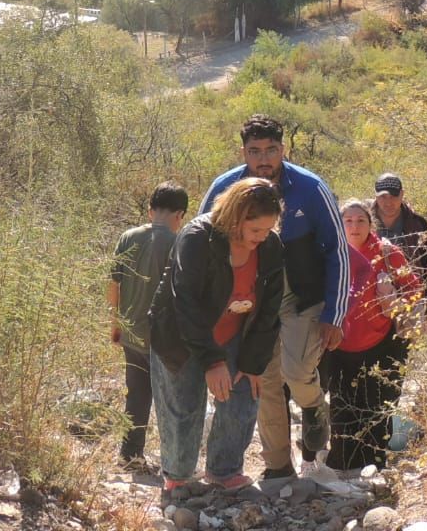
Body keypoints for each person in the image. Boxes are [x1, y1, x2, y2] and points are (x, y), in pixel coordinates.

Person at [199, 115, 349, 480]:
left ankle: (313, 407)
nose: (263, 159)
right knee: (263, 380)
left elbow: (338, 250)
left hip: (301, 294)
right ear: (243, 152)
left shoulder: (310, 188)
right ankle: (278, 465)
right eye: (254, 151)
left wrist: (335, 313)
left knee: (296, 370)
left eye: (271, 150)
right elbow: (200, 242)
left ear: (284, 149)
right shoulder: (226, 187)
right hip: (250, 301)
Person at [149, 177, 285, 491]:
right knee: (185, 406)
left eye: (268, 230)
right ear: (236, 218)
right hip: (179, 336)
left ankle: (224, 471)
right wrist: (212, 362)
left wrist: (252, 362)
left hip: (235, 333)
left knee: (243, 398)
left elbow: (269, 309)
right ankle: (178, 477)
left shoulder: (271, 245)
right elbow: (184, 303)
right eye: (256, 231)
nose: (263, 238)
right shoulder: (198, 237)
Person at [327, 198, 420, 472]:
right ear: (339, 224)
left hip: (383, 344)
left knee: (377, 407)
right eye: (348, 221)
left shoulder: (386, 252)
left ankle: (374, 467)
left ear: (371, 223)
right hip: (338, 345)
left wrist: (390, 297)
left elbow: (414, 290)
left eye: (361, 221)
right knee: (341, 406)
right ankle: (343, 466)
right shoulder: (331, 253)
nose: (354, 227)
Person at [109, 182, 190, 469]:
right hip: (163, 337)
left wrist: (115, 323)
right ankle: (174, 461)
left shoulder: (127, 236)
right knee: (170, 400)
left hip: (131, 332)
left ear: (150, 210)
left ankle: (130, 456)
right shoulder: (179, 242)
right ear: (180, 214)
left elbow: (113, 285)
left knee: (136, 396)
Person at [371, 172, 427, 311]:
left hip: (412, 302)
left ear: (402, 194)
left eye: (393, 196)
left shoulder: (418, 224)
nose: (388, 202)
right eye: (383, 196)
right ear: (375, 196)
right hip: (374, 304)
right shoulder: (364, 222)